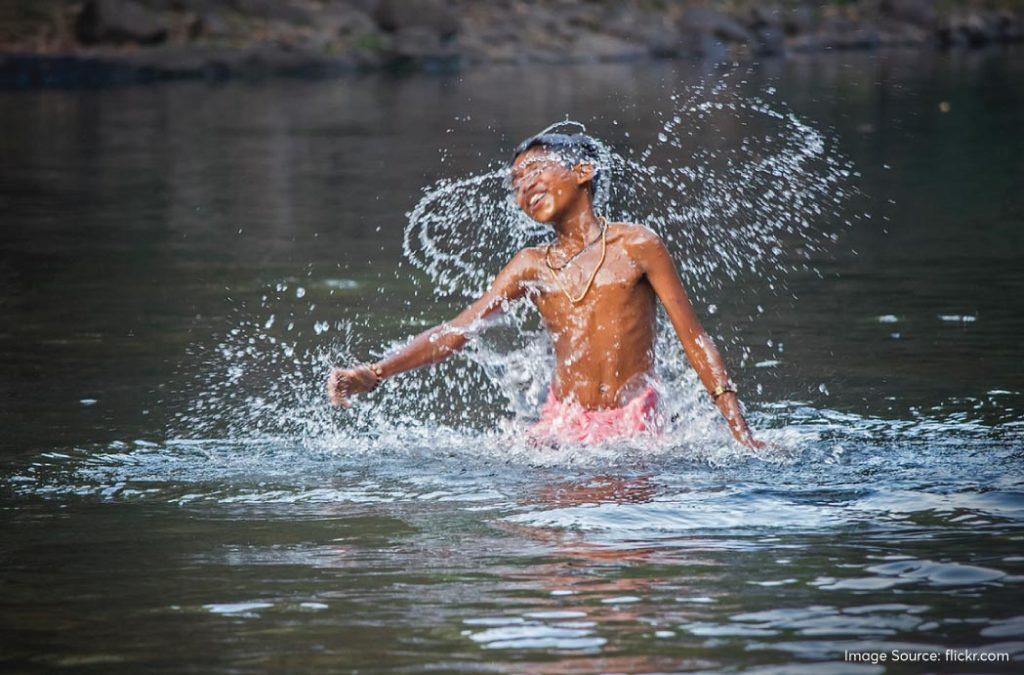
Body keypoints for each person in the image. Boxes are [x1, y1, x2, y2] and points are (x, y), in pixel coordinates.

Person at [327, 131, 763, 448]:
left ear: (583, 172)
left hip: (636, 425)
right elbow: (458, 331)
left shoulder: (638, 246)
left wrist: (740, 433)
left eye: (534, 172)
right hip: (561, 425)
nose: (524, 189)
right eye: (516, 186)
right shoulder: (529, 266)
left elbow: (694, 339)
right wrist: (377, 372)